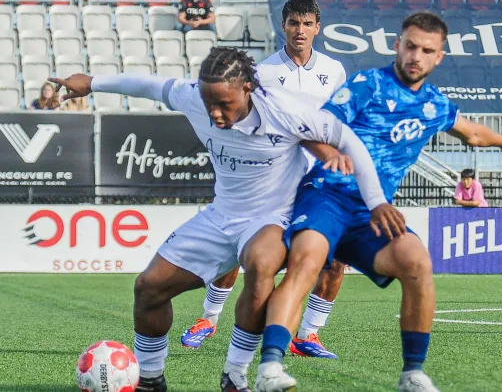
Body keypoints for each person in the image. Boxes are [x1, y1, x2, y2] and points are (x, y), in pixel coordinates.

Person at [48, 47, 405, 392]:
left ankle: (235, 375)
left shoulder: (286, 109)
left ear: (247, 89)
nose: (216, 114)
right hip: (221, 214)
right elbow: (146, 85)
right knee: (149, 287)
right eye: (209, 104)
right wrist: (91, 82)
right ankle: (151, 380)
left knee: (262, 262)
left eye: (224, 104)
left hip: (272, 216)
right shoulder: (192, 96)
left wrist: (376, 201)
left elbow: (348, 140)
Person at [251, 12, 502, 392]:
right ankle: (270, 369)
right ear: (398, 45)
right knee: (307, 262)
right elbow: (314, 127)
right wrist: (328, 153)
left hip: (372, 212)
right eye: (410, 45)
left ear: (438, 58)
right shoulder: (368, 84)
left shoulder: (434, 104)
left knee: (418, 262)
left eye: (426, 50)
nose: (416, 55)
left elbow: (472, 134)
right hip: (327, 197)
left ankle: (412, 373)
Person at [180, 0, 349, 360]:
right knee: (240, 251)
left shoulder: (335, 71)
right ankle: (207, 318)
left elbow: (338, 121)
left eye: (307, 24)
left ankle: (309, 335)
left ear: (317, 28)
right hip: (273, 175)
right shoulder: (263, 72)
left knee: (337, 257)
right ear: (283, 27)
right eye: (293, 23)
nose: (300, 30)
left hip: (319, 177)